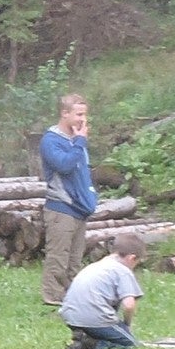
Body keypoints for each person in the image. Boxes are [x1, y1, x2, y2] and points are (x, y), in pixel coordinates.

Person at [39, 95, 98, 308]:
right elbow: (64, 165)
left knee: (75, 259)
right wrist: (80, 142)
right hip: (61, 208)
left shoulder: (77, 140)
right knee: (58, 257)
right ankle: (53, 298)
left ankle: (72, 297)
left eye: (85, 114)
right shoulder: (50, 141)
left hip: (80, 207)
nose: (83, 119)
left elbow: (83, 172)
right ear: (65, 114)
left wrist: (91, 197)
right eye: (79, 114)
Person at [57, 236, 144, 349]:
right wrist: (126, 325)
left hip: (70, 316)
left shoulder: (96, 266)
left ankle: (84, 337)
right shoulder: (122, 270)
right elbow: (129, 305)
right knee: (131, 346)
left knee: (106, 331)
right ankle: (92, 345)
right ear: (132, 258)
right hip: (96, 319)